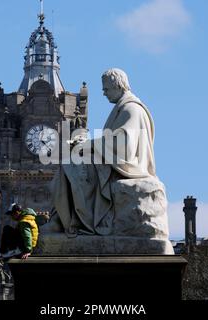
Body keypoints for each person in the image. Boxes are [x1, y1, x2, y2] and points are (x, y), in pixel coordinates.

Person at [45, 68, 157, 237]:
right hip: (113, 162)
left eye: (106, 89)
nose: (104, 94)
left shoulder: (131, 109)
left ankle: (68, 222)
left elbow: (124, 145)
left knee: (70, 166)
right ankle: (61, 219)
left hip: (125, 168)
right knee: (71, 164)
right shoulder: (123, 108)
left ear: (118, 85)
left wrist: (88, 145)